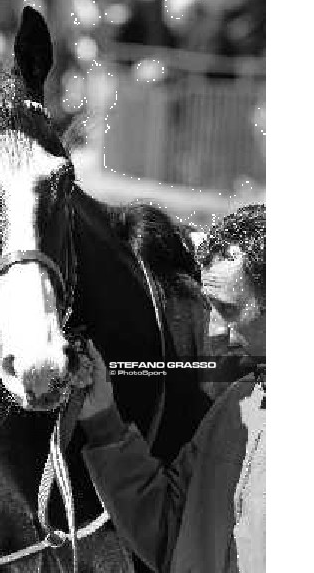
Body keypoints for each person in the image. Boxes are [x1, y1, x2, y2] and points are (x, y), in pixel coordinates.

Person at [78, 204, 266, 573]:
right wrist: (102, 420)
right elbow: (169, 532)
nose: (211, 330)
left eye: (227, 310)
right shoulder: (235, 408)